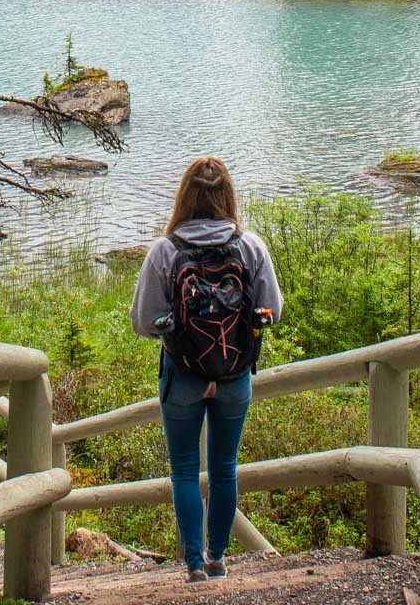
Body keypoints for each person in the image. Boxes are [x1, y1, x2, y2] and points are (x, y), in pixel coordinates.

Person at [130, 156, 283, 584]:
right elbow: (275, 309)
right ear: (228, 197)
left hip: (182, 375)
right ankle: (217, 557)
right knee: (224, 468)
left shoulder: (165, 251)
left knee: (183, 469)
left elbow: (143, 322)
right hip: (235, 375)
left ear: (183, 197)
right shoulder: (250, 247)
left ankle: (194, 565)